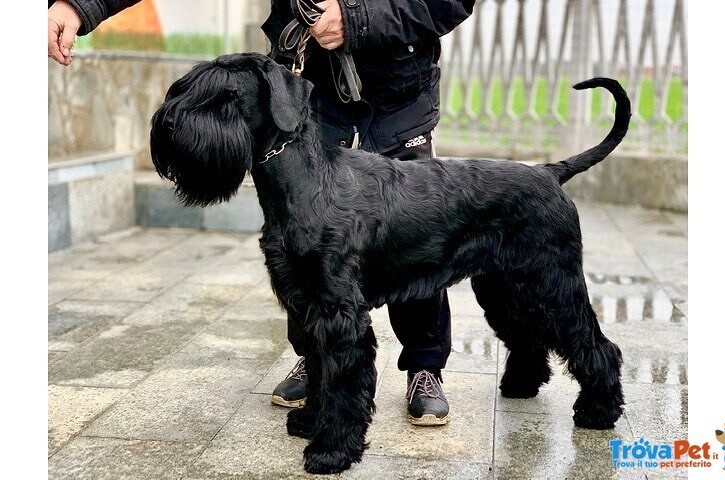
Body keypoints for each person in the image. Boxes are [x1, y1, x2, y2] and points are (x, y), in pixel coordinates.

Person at [48, 0, 475, 426]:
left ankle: (424, 367)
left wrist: (357, 19)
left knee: (418, 228)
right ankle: (316, 358)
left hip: (400, 88)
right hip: (307, 86)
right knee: (299, 235)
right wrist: (80, 7)